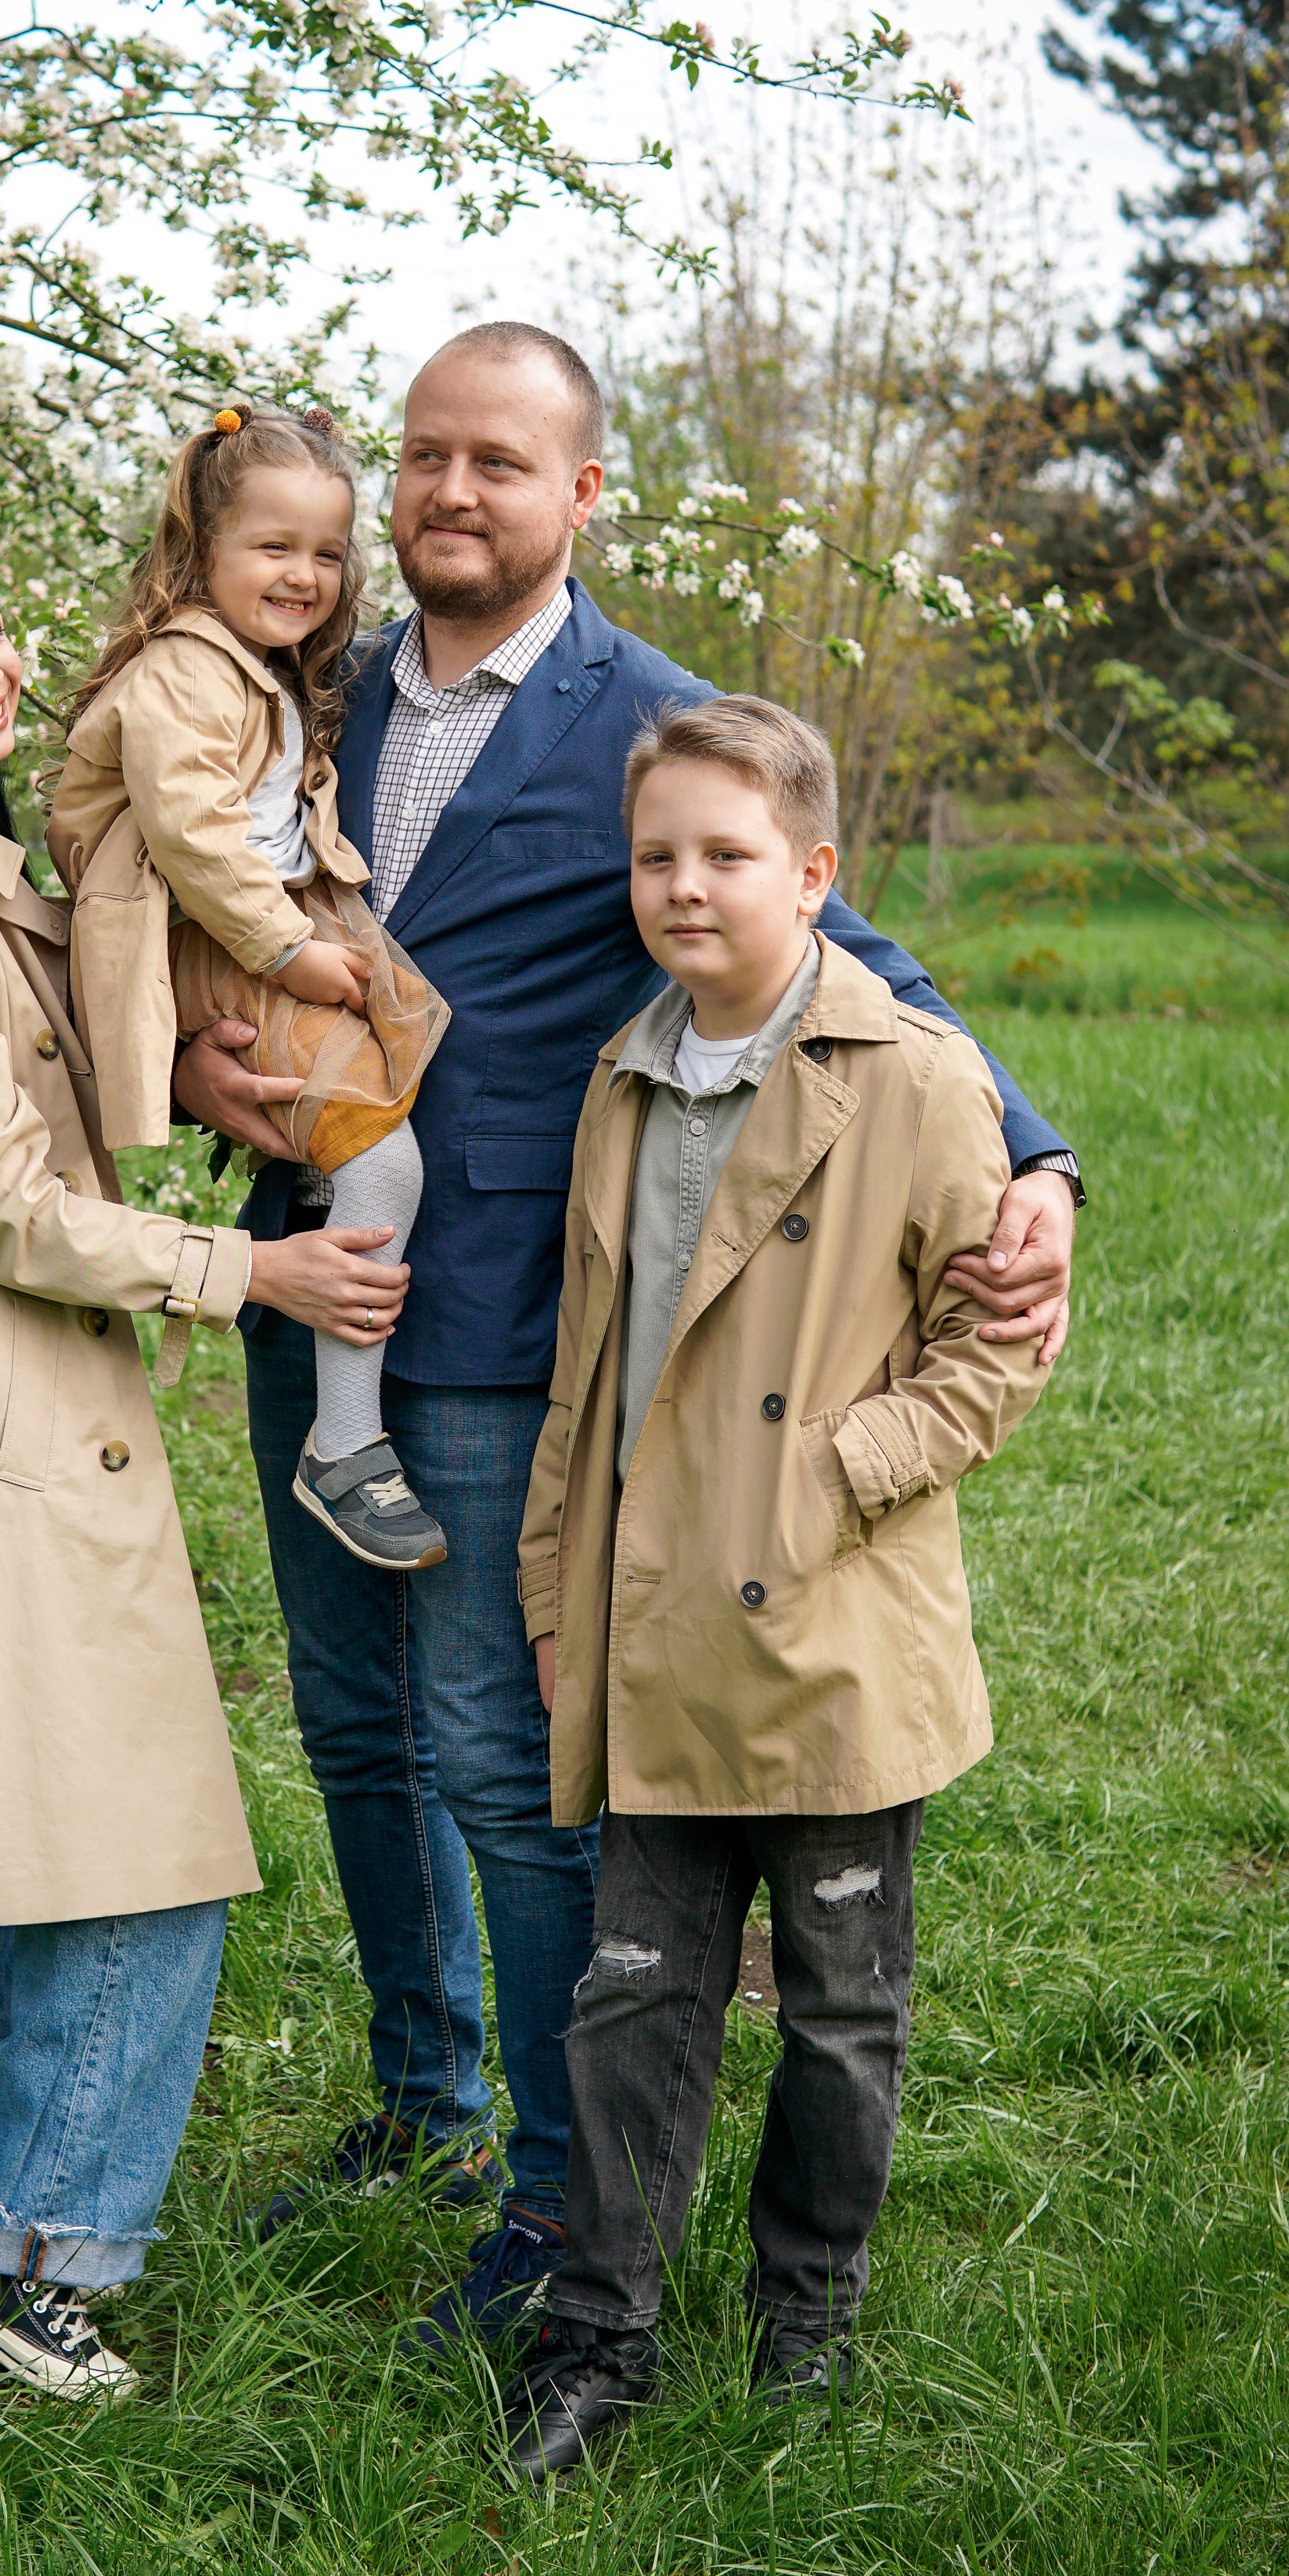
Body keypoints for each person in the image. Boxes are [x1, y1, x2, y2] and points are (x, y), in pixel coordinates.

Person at [173, 322, 1083, 2355]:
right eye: (423, 458)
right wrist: (185, 1060)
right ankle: (422, 2096)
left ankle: (562, 2198)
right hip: (301, 1279)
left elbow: (868, 963)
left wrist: (1036, 1159)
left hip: (503, 1325)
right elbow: (192, 918)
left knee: (501, 1755)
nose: (447, 496)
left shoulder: (646, 724)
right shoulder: (284, 698)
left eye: (499, 462)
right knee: (349, 1732)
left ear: (586, 494)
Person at [0, 528, 409, 2400]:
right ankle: (13, 2241)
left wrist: (190, 1086)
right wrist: (248, 1269)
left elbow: (17, 1098)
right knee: (137, 1862)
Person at [500, 694, 1050, 2481]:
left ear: (811, 874)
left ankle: (802, 2310)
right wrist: (548, 1592)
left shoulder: (909, 1074)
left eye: (725, 855)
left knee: (835, 2005)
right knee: (635, 1992)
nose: (682, 886)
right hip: (652, 1628)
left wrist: (829, 1477)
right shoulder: (623, 1070)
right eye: (655, 855)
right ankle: (599, 2332)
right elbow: (591, 1367)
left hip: (824, 1633)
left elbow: (992, 1350)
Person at [48, 405, 452, 1570]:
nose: (306, 575)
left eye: (327, 553)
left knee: (391, 1081)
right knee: (387, 1153)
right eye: (274, 548)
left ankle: (331, 1176)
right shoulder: (184, 667)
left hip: (259, 920)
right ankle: (345, 1441)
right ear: (202, 549)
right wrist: (285, 953)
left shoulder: (250, 668)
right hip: (225, 932)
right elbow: (193, 834)